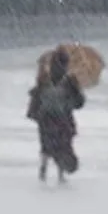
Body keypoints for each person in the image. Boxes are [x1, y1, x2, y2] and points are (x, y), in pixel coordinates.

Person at [26, 48, 85, 183]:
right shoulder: (66, 81)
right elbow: (79, 103)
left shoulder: (46, 79)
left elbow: (36, 99)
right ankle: (57, 174)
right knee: (60, 146)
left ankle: (46, 171)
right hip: (59, 119)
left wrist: (36, 114)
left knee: (49, 146)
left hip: (50, 119)